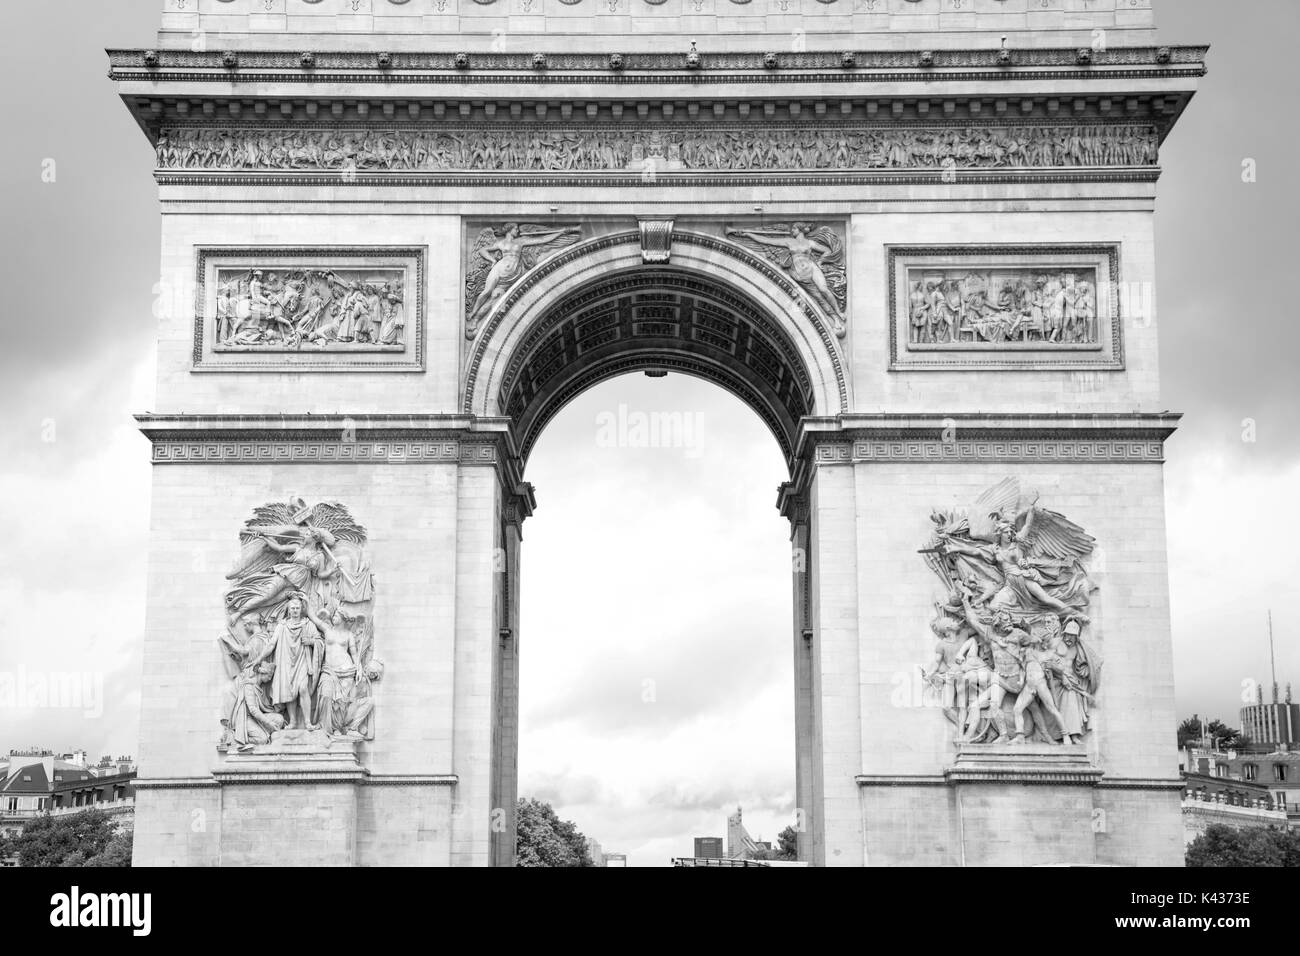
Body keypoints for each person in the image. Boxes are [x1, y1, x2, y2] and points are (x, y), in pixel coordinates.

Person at [251, 594, 323, 731]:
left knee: (302, 688)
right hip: (286, 662)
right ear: (288, 610)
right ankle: (293, 722)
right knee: (289, 691)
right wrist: (259, 659)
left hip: (302, 659)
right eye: (292, 608)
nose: (295, 610)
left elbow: (319, 641)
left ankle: (307, 722)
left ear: (301, 609)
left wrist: (311, 641)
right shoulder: (282, 625)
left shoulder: (308, 624)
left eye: (297, 608)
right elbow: (272, 644)